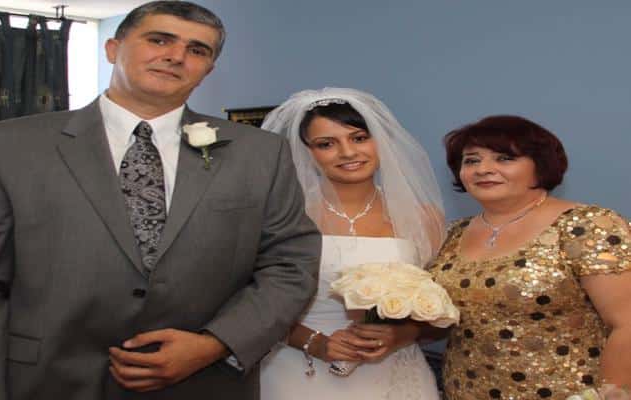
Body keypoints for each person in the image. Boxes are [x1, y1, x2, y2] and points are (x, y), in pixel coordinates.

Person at [0, 2, 321, 399]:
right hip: (45, 382)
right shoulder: (4, 147)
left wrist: (216, 343)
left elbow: (290, 264)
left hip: (204, 383)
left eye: (197, 50)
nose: (176, 56)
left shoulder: (260, 152)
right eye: (159, 40)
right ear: (113, 48)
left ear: (208, 70)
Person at [260, 87, 446, 399]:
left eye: (359, 138)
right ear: (306, 152)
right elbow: (250, 304)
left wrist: (401, 335)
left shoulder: (424, 218)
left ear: (380, 141)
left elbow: (445, 311)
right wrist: (315, 343)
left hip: (394, 372)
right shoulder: (282, 217)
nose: (347, 153)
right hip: (298, 373)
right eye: (326, 144)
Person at [428, 115, 631, 399]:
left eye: (504, 158)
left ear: (540, 166)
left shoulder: (586, 225)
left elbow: (626, 324)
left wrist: (611, 394)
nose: (483, 169)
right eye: (471, 160)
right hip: (464, 391)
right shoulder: (451, 234)